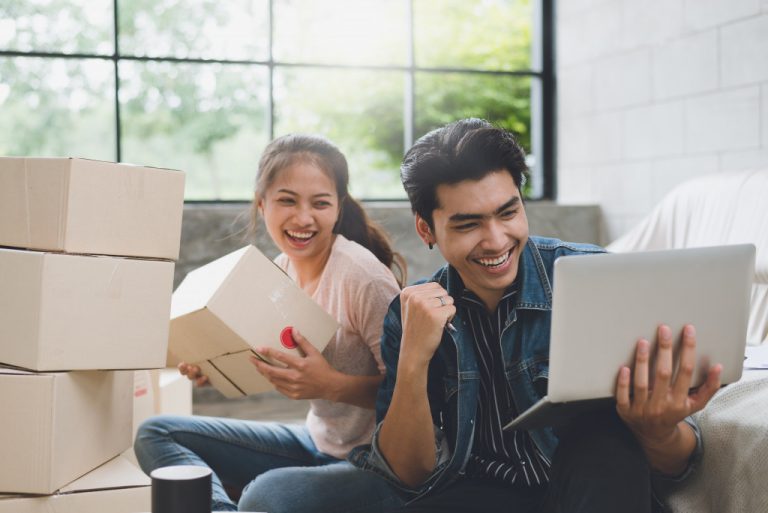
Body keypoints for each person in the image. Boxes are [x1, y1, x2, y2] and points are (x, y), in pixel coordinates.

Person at [347, 118, 723, 513]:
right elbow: (409, 474)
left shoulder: (598, 280)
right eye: (469, 224)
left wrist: (658, 431)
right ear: (427, 229)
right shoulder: (408, 313)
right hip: (483, 492)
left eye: (508, 213)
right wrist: (413, 358)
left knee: (601, 436)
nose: (496, 240)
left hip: (592, 485)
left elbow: (680, 464)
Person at [135, 134, 408, 513]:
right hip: (317, 442)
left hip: (381, 466)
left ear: (338, 208)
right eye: (286, 200)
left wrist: (332, 386)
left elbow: (415, 396)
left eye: (320, 203)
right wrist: (214, 363)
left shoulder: (362, 277)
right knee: (156, 433)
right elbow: (272, 361)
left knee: (265, 496)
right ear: (262, 204)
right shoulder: (280, 273)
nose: (303, 218)